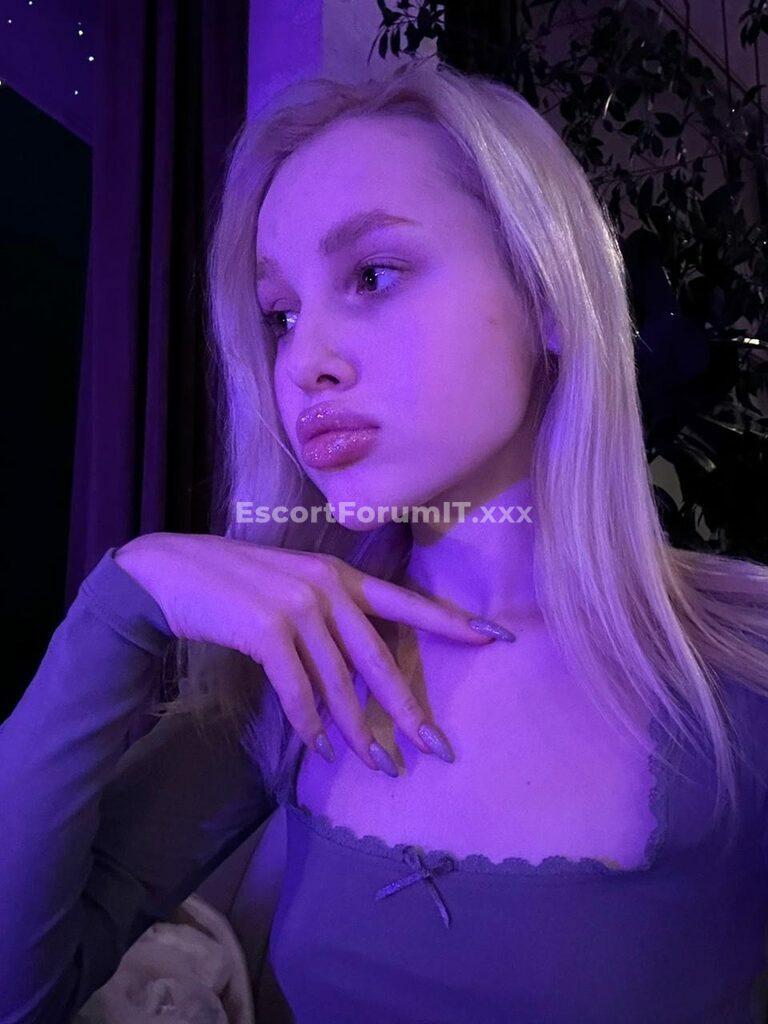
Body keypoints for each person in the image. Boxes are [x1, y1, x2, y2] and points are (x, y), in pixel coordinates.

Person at [2, 55, 768, 1024]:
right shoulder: (300, 671)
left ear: (547, 293)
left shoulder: (740, 666)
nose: (304, 363)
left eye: (373, 274)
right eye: (281, 315)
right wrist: (124, 600)